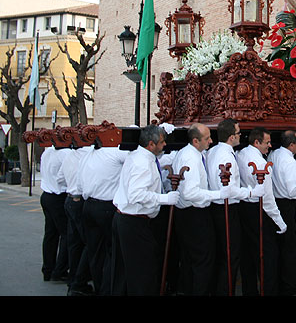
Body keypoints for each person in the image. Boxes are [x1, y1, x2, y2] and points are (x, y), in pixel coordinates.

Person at [172, 123, 251, 295]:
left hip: (194, 212)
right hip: (194, 214)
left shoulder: (200, 153)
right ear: (195, 141)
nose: (211, 141)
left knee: (194, 259)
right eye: (207, 138)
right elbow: (191, 192)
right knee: (204, 260)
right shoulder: (191, 158)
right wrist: (218, 194)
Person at [111, 125, 180, 296]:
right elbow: (136, 195)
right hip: (134, 221)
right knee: (142, 272)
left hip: (130, 220)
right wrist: (164, 199)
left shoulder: (141, 156)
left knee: (128, 272)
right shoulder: (142, 162)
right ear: (151, 144)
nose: (164, 145)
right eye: (162, 142)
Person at [237, 126, 286, 296]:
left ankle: (249, 291)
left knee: (248, 254)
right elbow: (267, 198)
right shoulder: (261, 164)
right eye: (267, 142)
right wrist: (279, 222)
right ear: (256, 142)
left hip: (244, 208)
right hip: (258, 211)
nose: (270, 146)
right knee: (268, 256)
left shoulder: (241, 154)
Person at [205, 118, 248, 295]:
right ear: (231, 137)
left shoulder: (214, 151)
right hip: (226, 207)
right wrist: (251, 192)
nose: (240, 136)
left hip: (217, 207)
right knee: (230, 255)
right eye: (238, 134)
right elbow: (229, 189)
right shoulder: (225, 155)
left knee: (223, 254)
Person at [79, 144, 128, 295]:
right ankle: (107, 290)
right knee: (111, 252)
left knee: (95, 251)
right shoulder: (116, 152)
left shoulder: (90, 154)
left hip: (89, 205)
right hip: (106, 207)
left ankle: (99, 286)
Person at [269, 129, 296, 295]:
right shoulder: (289, 163)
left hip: (278, 203)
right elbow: (292, 190)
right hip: (288, 205)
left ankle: (280, 286)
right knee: (291, 250)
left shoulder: (274, 154)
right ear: (291, 145)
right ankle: (289, 289)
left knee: (281, 248)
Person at [60, 145, 94, 296]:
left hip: (69, 199)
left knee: (74, 243)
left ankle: (73, 278)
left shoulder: (69, 156)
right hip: (80, 199)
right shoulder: (89, 154)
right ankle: (79, 282)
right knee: (89, 242)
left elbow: (59, 178)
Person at [39, 145, 72, 283]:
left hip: (46, 194)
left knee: (50, 234)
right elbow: (64, 177)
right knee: (66, 235)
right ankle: (60, 270)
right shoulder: (66, 154)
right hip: (59, 196)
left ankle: (48, 269)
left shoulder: (47, 151)